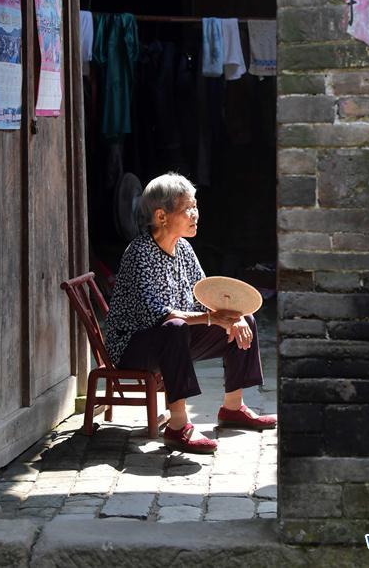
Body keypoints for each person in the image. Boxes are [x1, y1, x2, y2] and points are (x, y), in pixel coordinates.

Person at [105, 172, 276, 454]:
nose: (195, 214)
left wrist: (234, 316)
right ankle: (178, 426)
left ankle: (233, 408)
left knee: (245, 320)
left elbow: (203, 297)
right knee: (174, 327)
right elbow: (157, 314)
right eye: (188, 208)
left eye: (195, 206)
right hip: (133, 348)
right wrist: (212, 318)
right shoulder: (139, 253)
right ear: (161, 216)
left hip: (171, 340)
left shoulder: (183, 248)